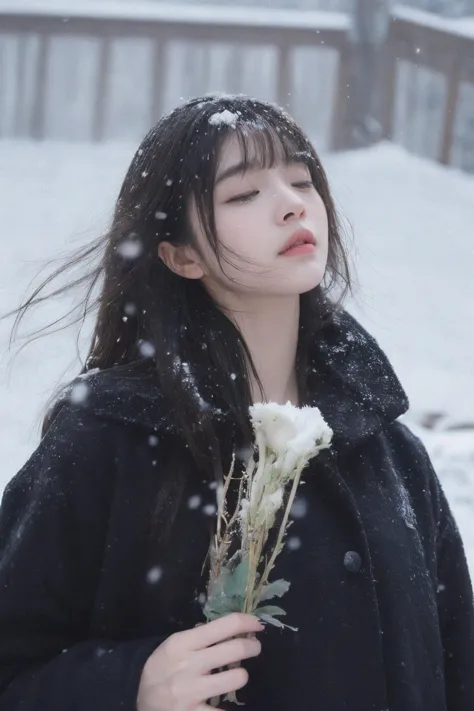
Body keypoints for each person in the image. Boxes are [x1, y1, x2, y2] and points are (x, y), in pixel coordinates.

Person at [0, 94, 472, 711]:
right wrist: (129, 685)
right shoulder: (107, 441)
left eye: (301, 178)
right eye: (243, 194)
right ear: (181, 254)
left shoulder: (390, 453)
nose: (291, 203)